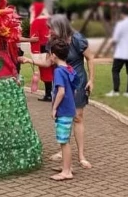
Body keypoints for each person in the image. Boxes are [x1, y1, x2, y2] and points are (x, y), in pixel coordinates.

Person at [21, 14, 95, 169]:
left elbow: (90, 58)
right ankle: (63, 151)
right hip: (61, 83)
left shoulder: (77, 39)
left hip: (77, 81)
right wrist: (30, 60)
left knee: (78, 117)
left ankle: (81, 155)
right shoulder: (52, 43)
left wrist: (91, 80)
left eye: (51, 28)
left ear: (60, 27)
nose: (48, 31)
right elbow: (48, 62)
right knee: (63, 117)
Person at [46, 39, 76, 181]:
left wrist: (54, 108)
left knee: (64, 142)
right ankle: (67, 166)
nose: (49, 57)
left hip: (63, 110)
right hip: (70, 109)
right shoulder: (69, 68)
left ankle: (66, 171)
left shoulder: (58, 71)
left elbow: (61, 91)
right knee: (65, 140)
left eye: (50, 54)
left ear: (54, 55)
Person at [106, 6, 128, 97]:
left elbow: (115, 38)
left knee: (115, 70)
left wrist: (109, 48)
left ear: (122, 14)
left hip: (121, 52)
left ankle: (116, 91)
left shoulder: (120, 24)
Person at [28, 2, 53, 101]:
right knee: (53, 70)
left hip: (42, 49)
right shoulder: (51, 19)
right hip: (54, 48)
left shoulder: (36, 22)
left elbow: (34, 38)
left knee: (45, 71)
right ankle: (53, 93)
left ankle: (48, 94)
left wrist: (34, 51)